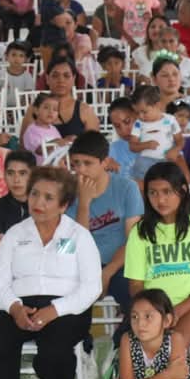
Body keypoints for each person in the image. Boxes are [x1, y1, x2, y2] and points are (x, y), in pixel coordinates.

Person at [0, 166, 101, 379]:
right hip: (21, 305)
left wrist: (54, 311)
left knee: (54, 353)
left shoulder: (78, 236)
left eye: (48, 198)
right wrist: (15, 308)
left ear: (64, 205)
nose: (38, 202)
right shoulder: (15, 235)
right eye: (34, 194)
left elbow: (92, 287)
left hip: (67, 308)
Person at [125, 161, 190, 348]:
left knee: (173, 342)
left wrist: (176, 311)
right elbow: (136, 286)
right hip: (153, 311)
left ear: (183, 191)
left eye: (167, 192)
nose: (160, 200)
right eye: (153, 193)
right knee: (147, 345)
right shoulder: (139, 232)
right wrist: (154, 312)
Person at [67, 131, 142, 308]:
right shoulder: (68, 193)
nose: (80, 169)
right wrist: (84, 204)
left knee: (131, 290)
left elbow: (134, 241)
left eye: (88, 163)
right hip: (82, 265)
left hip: (121, 262)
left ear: (105, 162)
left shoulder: (126, 187)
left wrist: (107, 272)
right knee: (69, 294)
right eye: (76, 163)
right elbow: (70, 246)